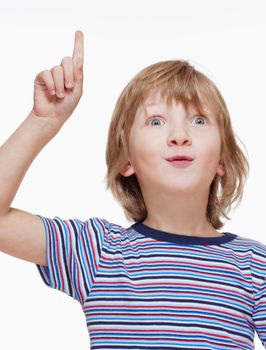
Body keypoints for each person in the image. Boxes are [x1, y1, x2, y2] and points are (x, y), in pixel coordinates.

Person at [0, 30, 265, 350]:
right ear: (126, 160)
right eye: (156, 121)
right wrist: (43, 121)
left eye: (198, 120)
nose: (179, 135)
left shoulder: (255, 265)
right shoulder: (96, 252)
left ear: (222, 159)